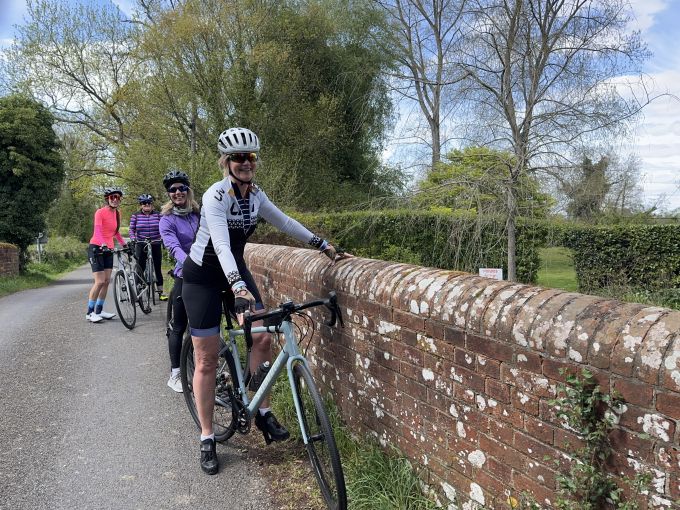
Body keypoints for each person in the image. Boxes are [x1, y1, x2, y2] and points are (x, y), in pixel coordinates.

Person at [182, 127, 351, 475]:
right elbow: (221, 245)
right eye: (238, 158)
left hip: (235, 272)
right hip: (203, 277)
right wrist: (238, 287)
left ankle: (261, 411)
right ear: (226, 162)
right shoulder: (216, 196)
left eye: (250, 157)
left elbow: (285, 222)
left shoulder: (256, 196)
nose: (245, 163)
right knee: (206, 360)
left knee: (262, 337)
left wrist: (323, 245)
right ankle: (207, 436)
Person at [158, 170, 200, 393]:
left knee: (206, 324)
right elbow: (173, 247)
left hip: (206, 273)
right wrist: (191, 264)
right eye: (172, 189)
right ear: (169, 193)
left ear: (188, 190)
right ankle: (175, 374)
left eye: (181, 188)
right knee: (179, 326)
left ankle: (207, 364)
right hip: (185, 273)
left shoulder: (197, 215)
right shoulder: (167, 220)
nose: (177, 192)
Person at [86, 187, 127, 323]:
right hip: (97, 248)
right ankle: (90, 312)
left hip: (108, 249)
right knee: (99, 281)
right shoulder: (100, 212)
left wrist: (124, 244)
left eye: (117, 197)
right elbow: (97, 231)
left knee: (107, 281)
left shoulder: (117, 214)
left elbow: (115, 232)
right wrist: (103, 244)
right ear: (107, 199)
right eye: (112, 197)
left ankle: (99, 310)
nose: (115, 199)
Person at [129, 194, 166, 301]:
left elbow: (163, 228)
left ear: (152, 204)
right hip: (141, 242)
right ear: (141, 205)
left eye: (149, 203)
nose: (147, 205)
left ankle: (161, 292)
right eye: (144, 203)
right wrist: (133, 238)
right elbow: (131, 230)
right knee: (140, 267)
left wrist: (163, 238)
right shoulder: (136, 216)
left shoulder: (158, 215)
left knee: (158, 267)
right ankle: (139, 290)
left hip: (155, 242)